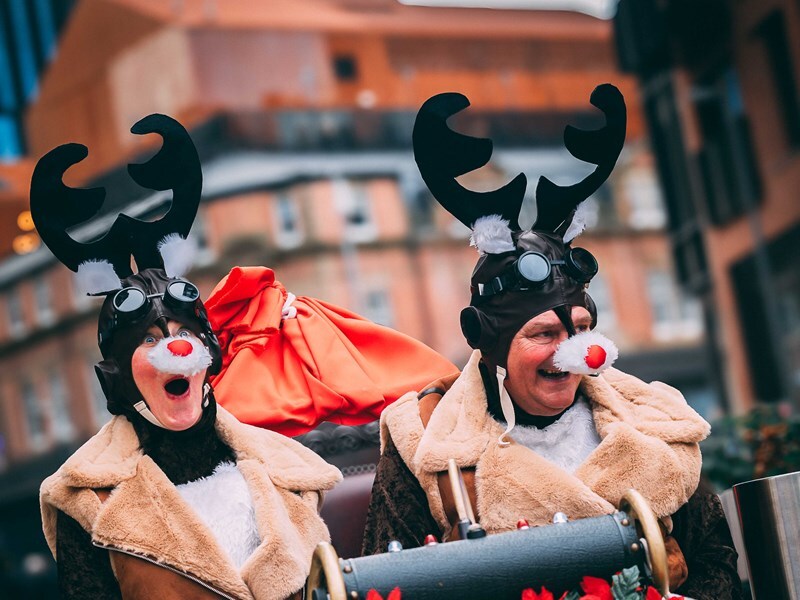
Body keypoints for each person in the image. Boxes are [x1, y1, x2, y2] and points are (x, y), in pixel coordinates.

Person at [362, 86, 742, 599]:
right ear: (487, 341)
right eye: (544, 334)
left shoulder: (655, 420)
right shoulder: (421, 445)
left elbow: (716, 562)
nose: (578, 352)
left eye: (582, 329)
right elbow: (388, 586)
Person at [36, 115, 341, 600]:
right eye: (148, 340)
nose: (174, 349)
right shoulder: (86, 500)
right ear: (113, 377)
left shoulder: (287, 466)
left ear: (210, 352)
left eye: (183, 333)